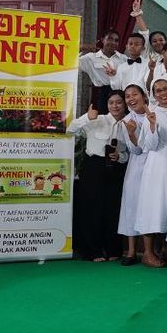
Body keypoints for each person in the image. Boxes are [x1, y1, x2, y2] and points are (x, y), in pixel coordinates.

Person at [67, 93, 128, 262]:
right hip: (93, 167)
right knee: (92, 208)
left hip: (116, 168)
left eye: (119, 103)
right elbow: (70, 129)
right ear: (106, 104)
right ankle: (92, 251)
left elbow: (130, 152)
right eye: (111, 102)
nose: (115, 106)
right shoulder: (97, 119)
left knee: (113, 208)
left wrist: (120, 156)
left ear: (124, 105)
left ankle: (113, 248)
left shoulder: (129, 124)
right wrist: (87, 117)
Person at [134, 79, 167, 267]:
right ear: (153, 95)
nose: (162, 93)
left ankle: (165, 249)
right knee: (153, 207)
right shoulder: (151, 114)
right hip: (157, 165)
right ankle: (147, 253)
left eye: (165, 89)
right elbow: (150, 145)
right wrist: (153, 125)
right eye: (158, 91)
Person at [116, 83, 150, 266]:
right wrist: (131, 134)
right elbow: (135, 150)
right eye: (127, 96)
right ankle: (130, 250)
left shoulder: (156, 114)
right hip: (136, 166)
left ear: (144, 95)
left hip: (155, 165)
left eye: (134, 94)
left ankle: (153, 250)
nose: (131, 99)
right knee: (131, 206)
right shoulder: (127, 120)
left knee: (151, 207)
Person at [79, 31, 127, 113]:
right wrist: (81, 47)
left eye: (116, 40)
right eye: (110, 39)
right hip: (101, 95)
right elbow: (70, 62)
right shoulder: (91, 58)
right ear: (102, 40)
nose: (113, 42)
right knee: (101, 121)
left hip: (120, 93)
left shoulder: (124, 59)